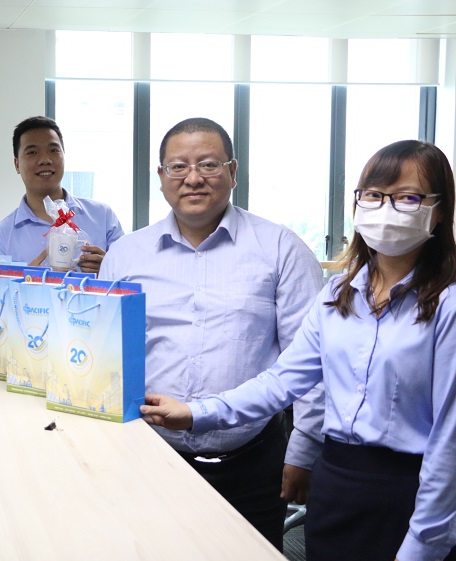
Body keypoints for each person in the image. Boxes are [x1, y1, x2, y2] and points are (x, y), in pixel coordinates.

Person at [141, 139, 456, 561]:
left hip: (406, 493)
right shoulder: (337, 295)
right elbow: (282, 382)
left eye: (407, 198)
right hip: (334, 486)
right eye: (374, 195)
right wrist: (196, 413)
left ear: (438, 211)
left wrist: (425, 544)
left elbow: (452, 447)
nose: (386, 208)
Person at [98, 117, 325, 550]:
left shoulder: (281, 249)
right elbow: (105, 357)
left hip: (254, 462)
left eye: (208, 164)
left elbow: (311, 364)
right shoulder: (125, 256)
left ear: (233, 172)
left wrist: (304, 449)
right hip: (151, 457)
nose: (193, 178)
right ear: (161, 176)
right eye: (178, 167)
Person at [0, 115, 124, 274]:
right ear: (17, 164)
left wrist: (109, 268)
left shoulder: (102, 216)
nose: (45, 160)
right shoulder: (3, 234)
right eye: (32, 152)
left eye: (53, 150)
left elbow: (130, 275)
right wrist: (26, 279)